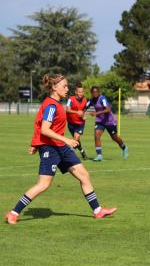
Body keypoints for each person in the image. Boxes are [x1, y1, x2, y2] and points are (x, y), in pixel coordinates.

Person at [4, 74, 117, 225]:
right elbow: (44, 128)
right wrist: (64, 140)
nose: (67, 89)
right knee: (44, 184)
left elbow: (38, 124)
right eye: (64, 86)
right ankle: (13, 213)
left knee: (84, 175)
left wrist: (35, 143)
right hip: (51, 149)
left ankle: (98, 211)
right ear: (54, 87)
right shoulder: (51, 105)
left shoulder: (55, 104)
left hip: (60, 147)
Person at [86, 87, 128, 162]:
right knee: (96, 135)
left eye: (96, 92)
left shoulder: (102, 99)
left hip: (109, 121)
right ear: (91, 93)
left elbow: (108, 109)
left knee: (114, 138)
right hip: (100, 121)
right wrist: (81, 113)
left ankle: (124, 147)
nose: (95, 93)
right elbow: (84, 107)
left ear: (99, 92)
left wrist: (96, 113)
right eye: (93, 92)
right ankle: (99, 155)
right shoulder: (91, 100)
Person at [66, 83, 88, 159]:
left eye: (82, 92)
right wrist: (77, 112)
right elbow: (67, 110)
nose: (81, 94)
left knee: (76, 137)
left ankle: (70, 154)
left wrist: (84, 115)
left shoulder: (85, 100)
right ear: (76, 92)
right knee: (77, 140)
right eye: (79, 92)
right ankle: (82, 152)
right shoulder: (70, 99)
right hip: (71, 123)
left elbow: (85, 108)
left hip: (80, 123)